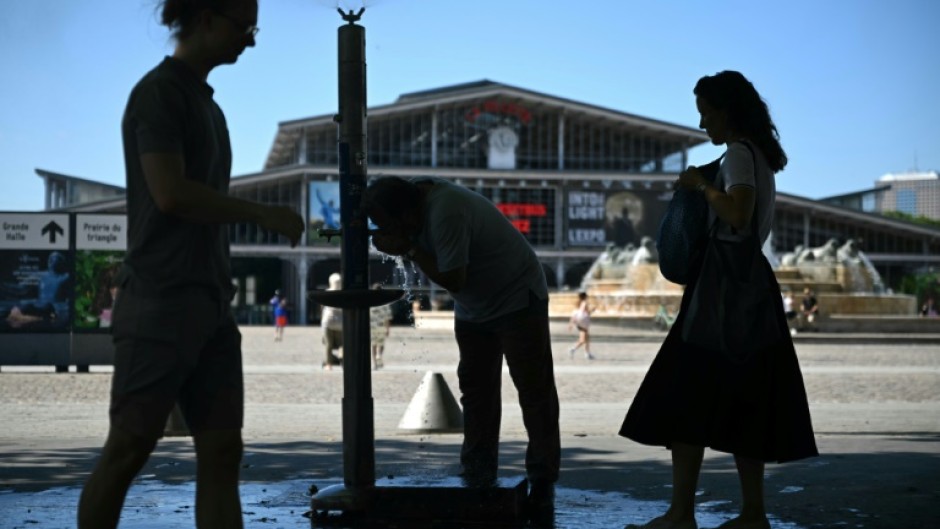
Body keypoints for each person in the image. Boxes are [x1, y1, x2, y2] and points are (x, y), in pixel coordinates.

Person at [77, 2, 305, 528]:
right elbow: (171, 194)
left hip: (211, 305)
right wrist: (260, 212)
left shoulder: (209, 105)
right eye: (244, 26)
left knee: (223, 451)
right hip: (159, 299)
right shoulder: (159, 94)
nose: (250, 40)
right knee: (128, 448)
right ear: (205, 16)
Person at [619, 71, 817, 529]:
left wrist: (699, 186)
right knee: (748, 398)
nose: (703, 124)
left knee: (685, 393)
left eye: (707, 114)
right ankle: (752, 513)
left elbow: (738, 214)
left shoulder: (739, 155)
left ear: (728, 112)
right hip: (749, 286)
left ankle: (681, 514)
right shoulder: (757, 155)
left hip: (721, 290)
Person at [363, 176, 561, 523]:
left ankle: (543, 481)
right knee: (476, 391)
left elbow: (455, 278)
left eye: (389, 224)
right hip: (473, 307)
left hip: (517, 296)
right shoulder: (417, 204)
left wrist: (409, 248)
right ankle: (477, 474)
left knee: (533, 391)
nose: (387, 230)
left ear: (406, 213)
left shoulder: (447, 211)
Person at [320, 272, 343, 370]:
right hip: (341, 322)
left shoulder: (327, 293)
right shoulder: (343, 293)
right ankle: (342, 357)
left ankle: (328, 364)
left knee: (328, 344)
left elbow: (322, 308)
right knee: (342, 344)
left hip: (328, 321)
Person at [369, 282, 393, 370]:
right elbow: (388, 317)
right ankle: (379, 354)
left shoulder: (370, 302)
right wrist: (388, 329)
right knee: (381, 344)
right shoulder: (385, 302)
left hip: (372, 327)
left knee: (373, 345)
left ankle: (374, 363)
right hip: (381, 326)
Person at [567, 291, 596, 360]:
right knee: (583, 340)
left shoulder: (578, 303)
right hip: (583, 322)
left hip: (579, 322)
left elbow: (575, 313)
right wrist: (593, 310)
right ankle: (573, 349)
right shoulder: (584, 302)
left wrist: (571, 324)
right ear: (585, 296)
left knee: (587, 338)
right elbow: (586, 312)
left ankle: (587, 353)